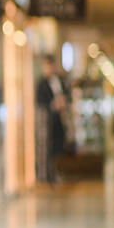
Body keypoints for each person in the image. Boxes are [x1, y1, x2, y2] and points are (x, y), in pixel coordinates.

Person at [35, 55, 67, 184]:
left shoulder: (58, 81)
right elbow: (40, 101)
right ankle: (44, 175)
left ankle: (54, 173)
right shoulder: (41, 83)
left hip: (57, 120)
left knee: (56, 148)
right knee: (44, 148)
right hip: (45, 120)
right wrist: (53, 104)